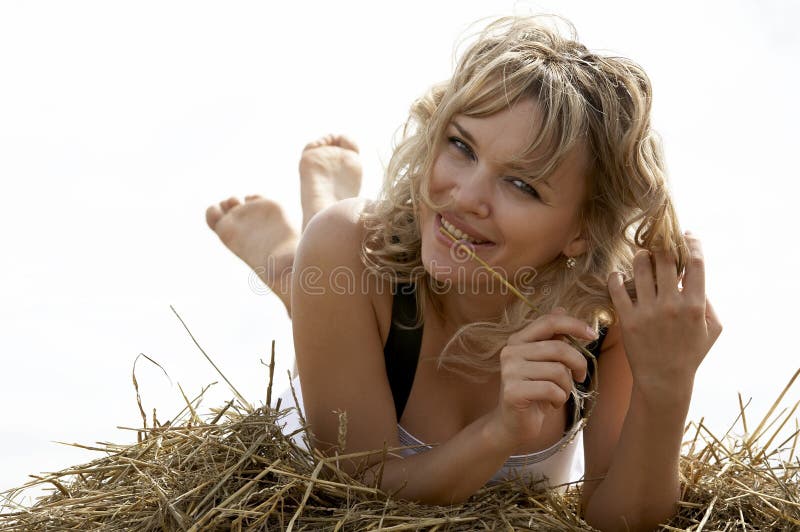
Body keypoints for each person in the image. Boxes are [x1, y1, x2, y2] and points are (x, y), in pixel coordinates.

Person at [206, 16, 722, 531]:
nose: (466, 197)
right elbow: (355, 491)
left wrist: (668, 386)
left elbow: (621, 522)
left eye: (522, 185)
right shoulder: (349, 249)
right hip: (372, 276)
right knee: (325, 265)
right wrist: (499, 432)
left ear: (582, 231)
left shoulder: (606, 318)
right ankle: (294, 250)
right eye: (461, 146)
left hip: (372, 289)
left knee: (324, 288)